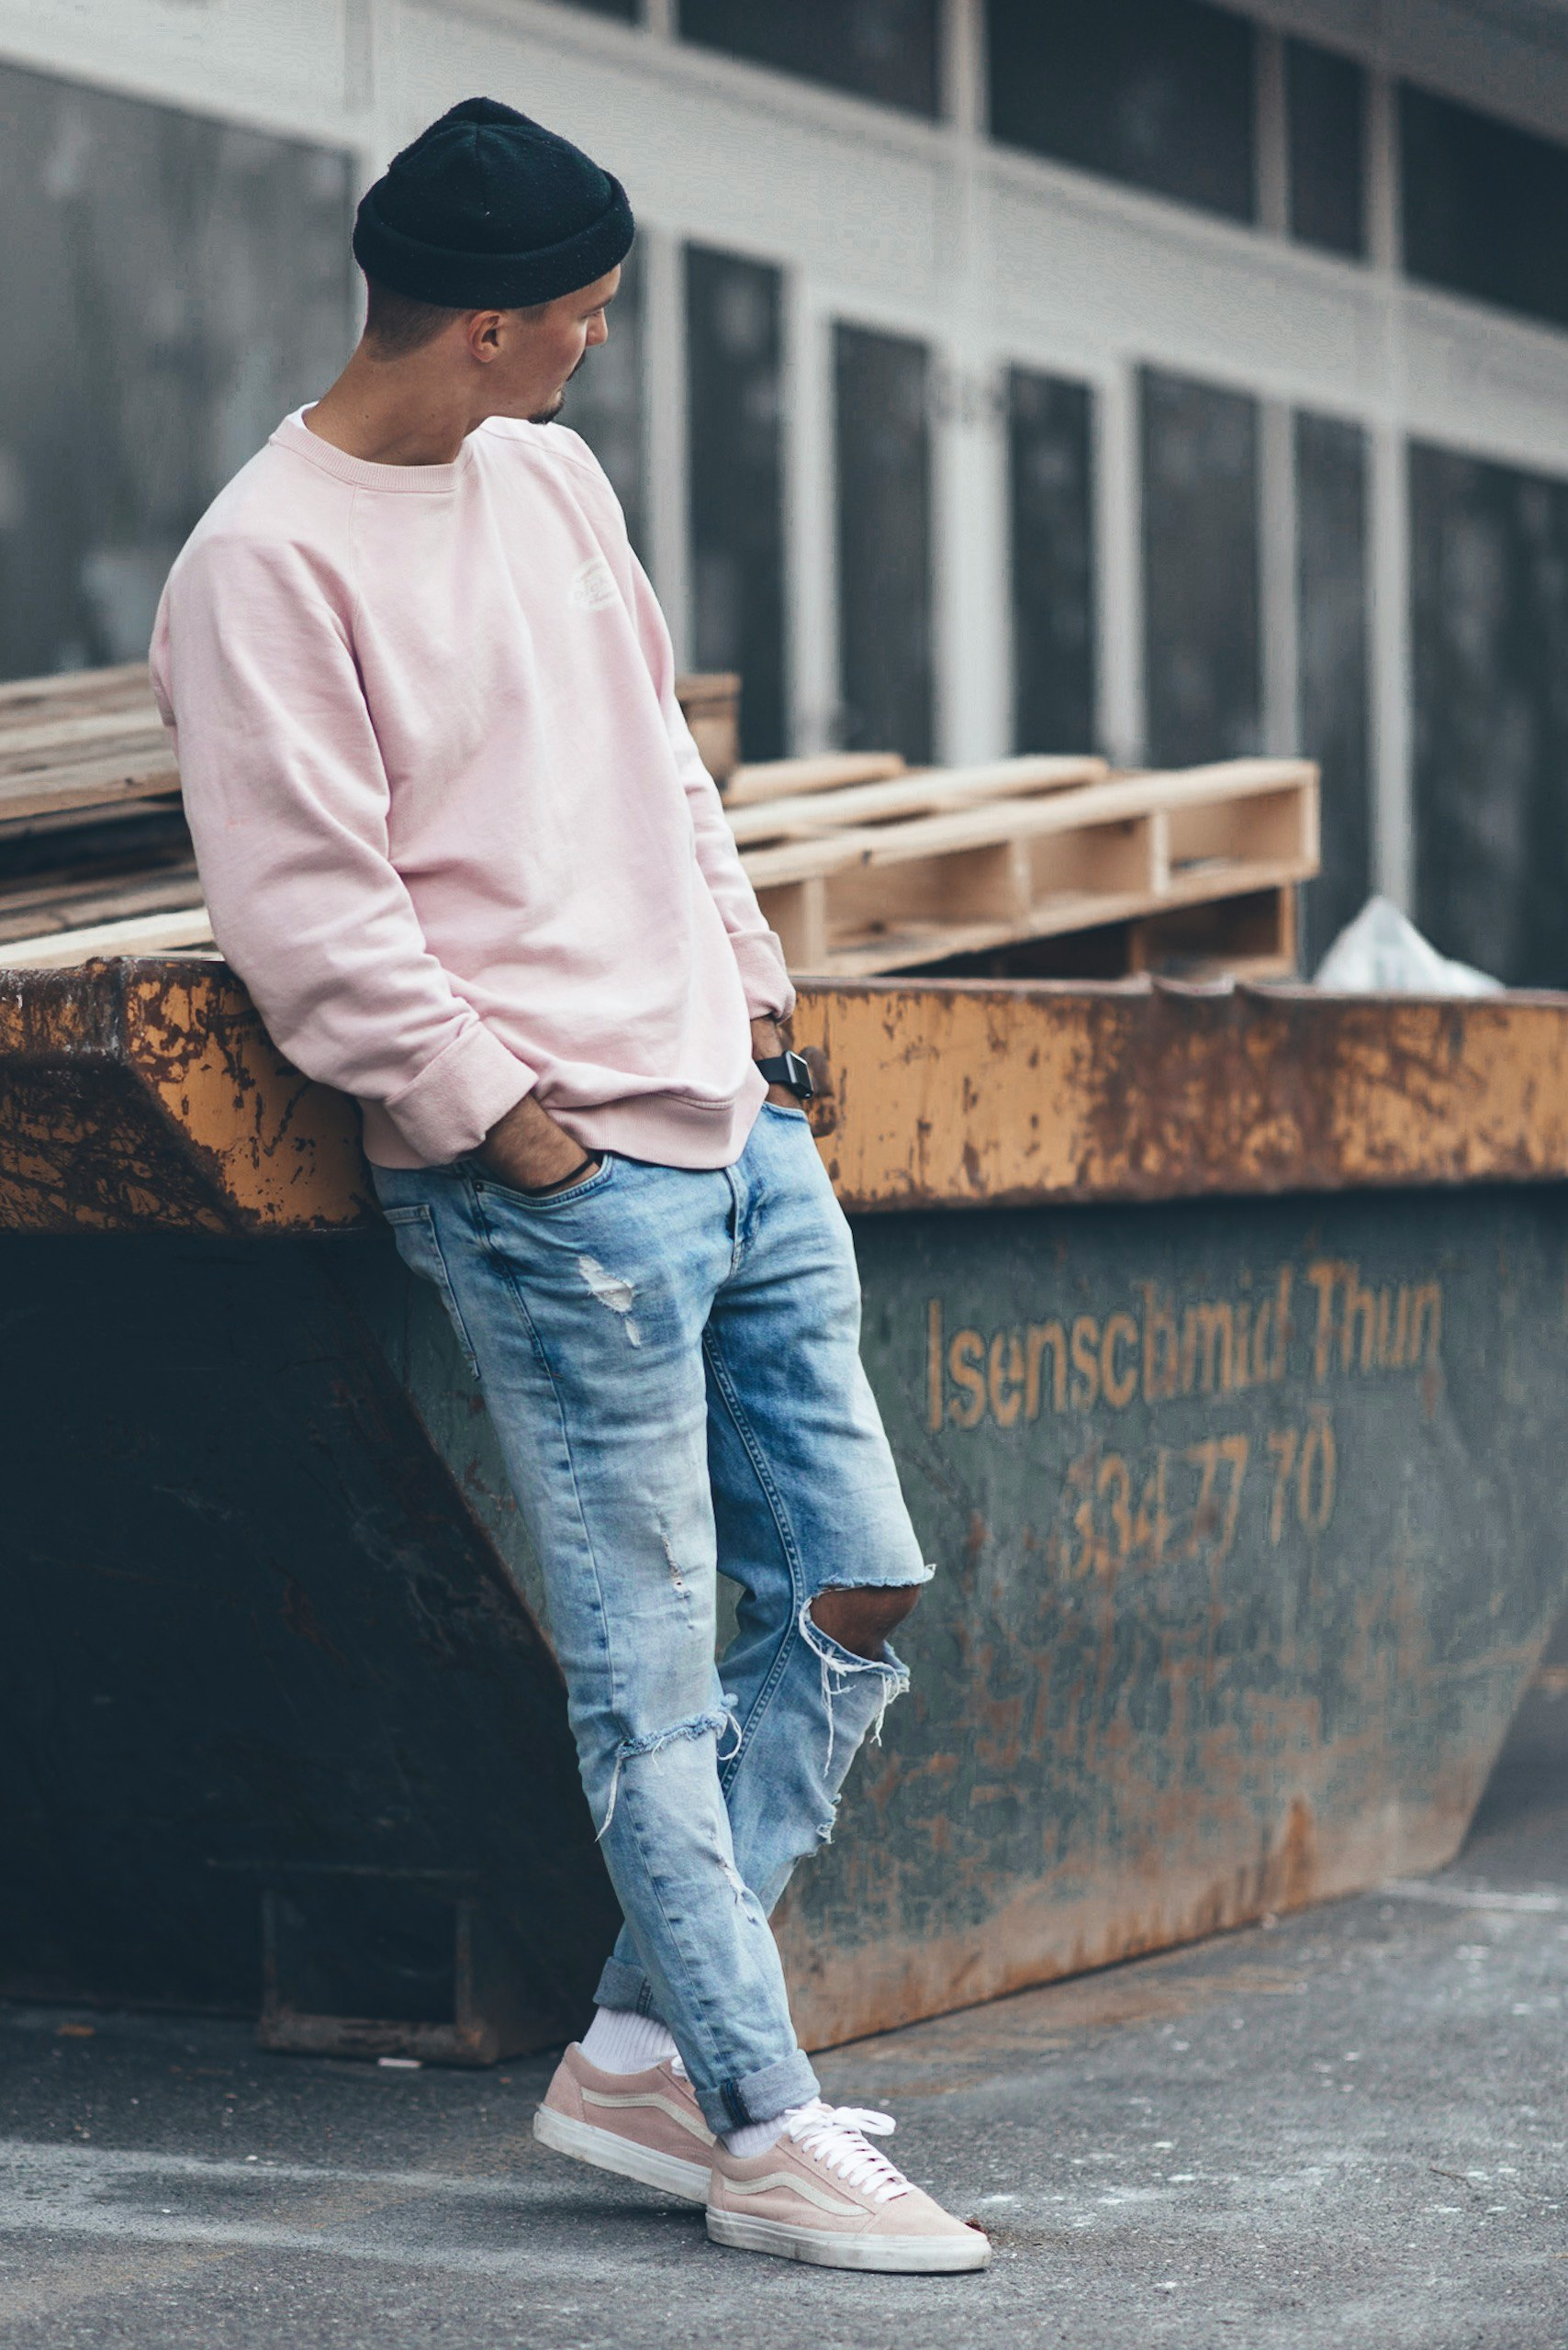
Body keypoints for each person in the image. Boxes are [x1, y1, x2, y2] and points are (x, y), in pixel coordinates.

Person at [151, 96, 987, 2276]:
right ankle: (765, 2120)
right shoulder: (264, 560)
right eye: (586, 320)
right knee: (645, 1686)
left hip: (729, 1121)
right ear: (489, 325)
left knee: (856, 1593)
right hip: (556, 1187)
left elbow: (656, 768)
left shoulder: (546, 471)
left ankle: (636, 2046)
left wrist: (759, 1007)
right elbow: (312, 918)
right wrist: (511, 1122)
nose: (599, 350)